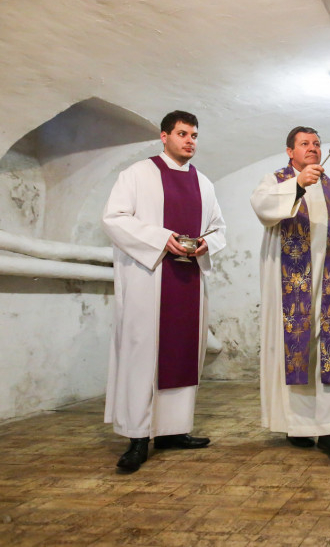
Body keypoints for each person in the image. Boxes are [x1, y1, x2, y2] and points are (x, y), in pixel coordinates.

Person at [102, 110, 226, 473]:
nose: (190, 141)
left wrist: (206, 243)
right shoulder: (138, 174)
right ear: (164, 136)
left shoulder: (204, 183)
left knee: (183, 352)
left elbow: (219, 228)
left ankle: (173, 430)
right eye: (182, 134)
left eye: (194, 135)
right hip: (149, 279)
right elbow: (113, 218)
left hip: (188, 281)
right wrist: (161, 239)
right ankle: (138, 437)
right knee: (143, 353)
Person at [250, 126, 330, 455]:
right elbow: (262, 207)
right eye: (305, 144)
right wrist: (298, 184)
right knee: (295, 352)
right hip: (290, 285)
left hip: (328, 283)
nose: (313, 148)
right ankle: (298, 426)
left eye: (316, 143)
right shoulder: (276, 180)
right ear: (290, 151)